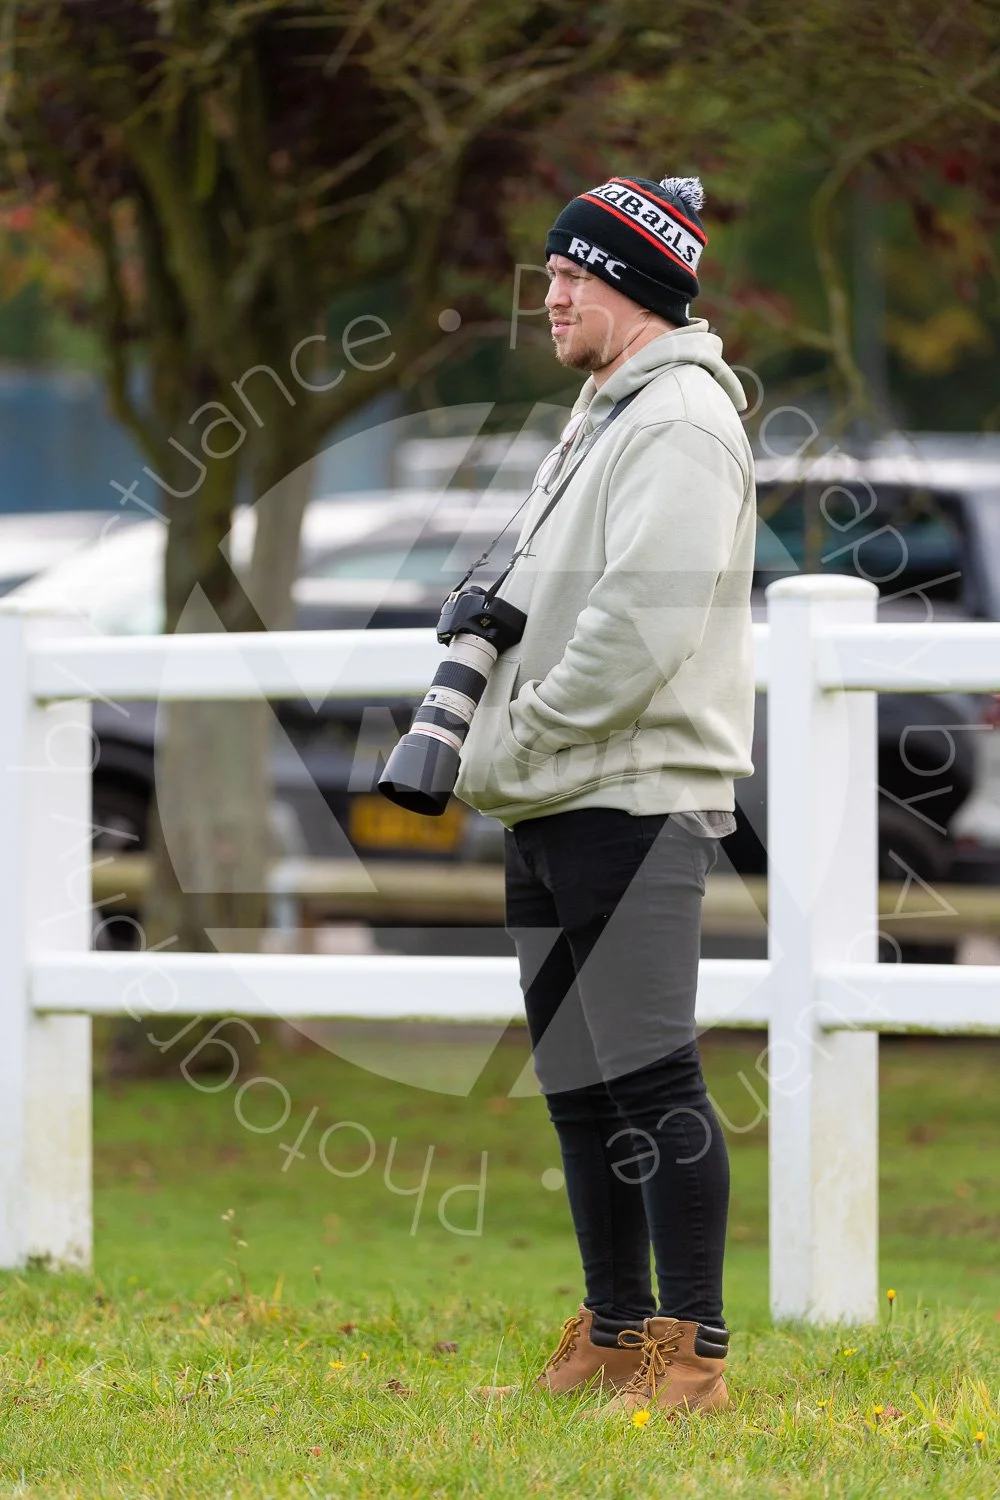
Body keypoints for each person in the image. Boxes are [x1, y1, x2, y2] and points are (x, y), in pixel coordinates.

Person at [453, 173, 756, 1419]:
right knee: (578, 1082)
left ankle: (691, 1361)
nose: (551, 294)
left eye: (572, 272)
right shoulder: (604, 409)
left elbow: (641, 624)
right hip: (557, 793)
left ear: (633, 282)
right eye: (549, 271)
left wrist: (517, 732)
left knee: (650, 1079)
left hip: (624, 790)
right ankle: (617, 1334)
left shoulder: (679, 419)